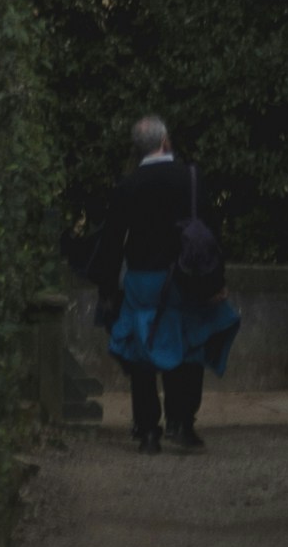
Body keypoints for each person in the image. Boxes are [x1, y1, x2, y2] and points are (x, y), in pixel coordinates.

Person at [88, 114, 241, 452]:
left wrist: (108, 289)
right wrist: (218, 279)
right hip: (186, 276)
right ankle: (182, 423)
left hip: (143, 279)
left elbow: (112, 242)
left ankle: (147, 430)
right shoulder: (191, 178)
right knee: (187, 345)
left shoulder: (128, 186)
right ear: (166, 141)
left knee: (142, 350)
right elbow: (211, 233)